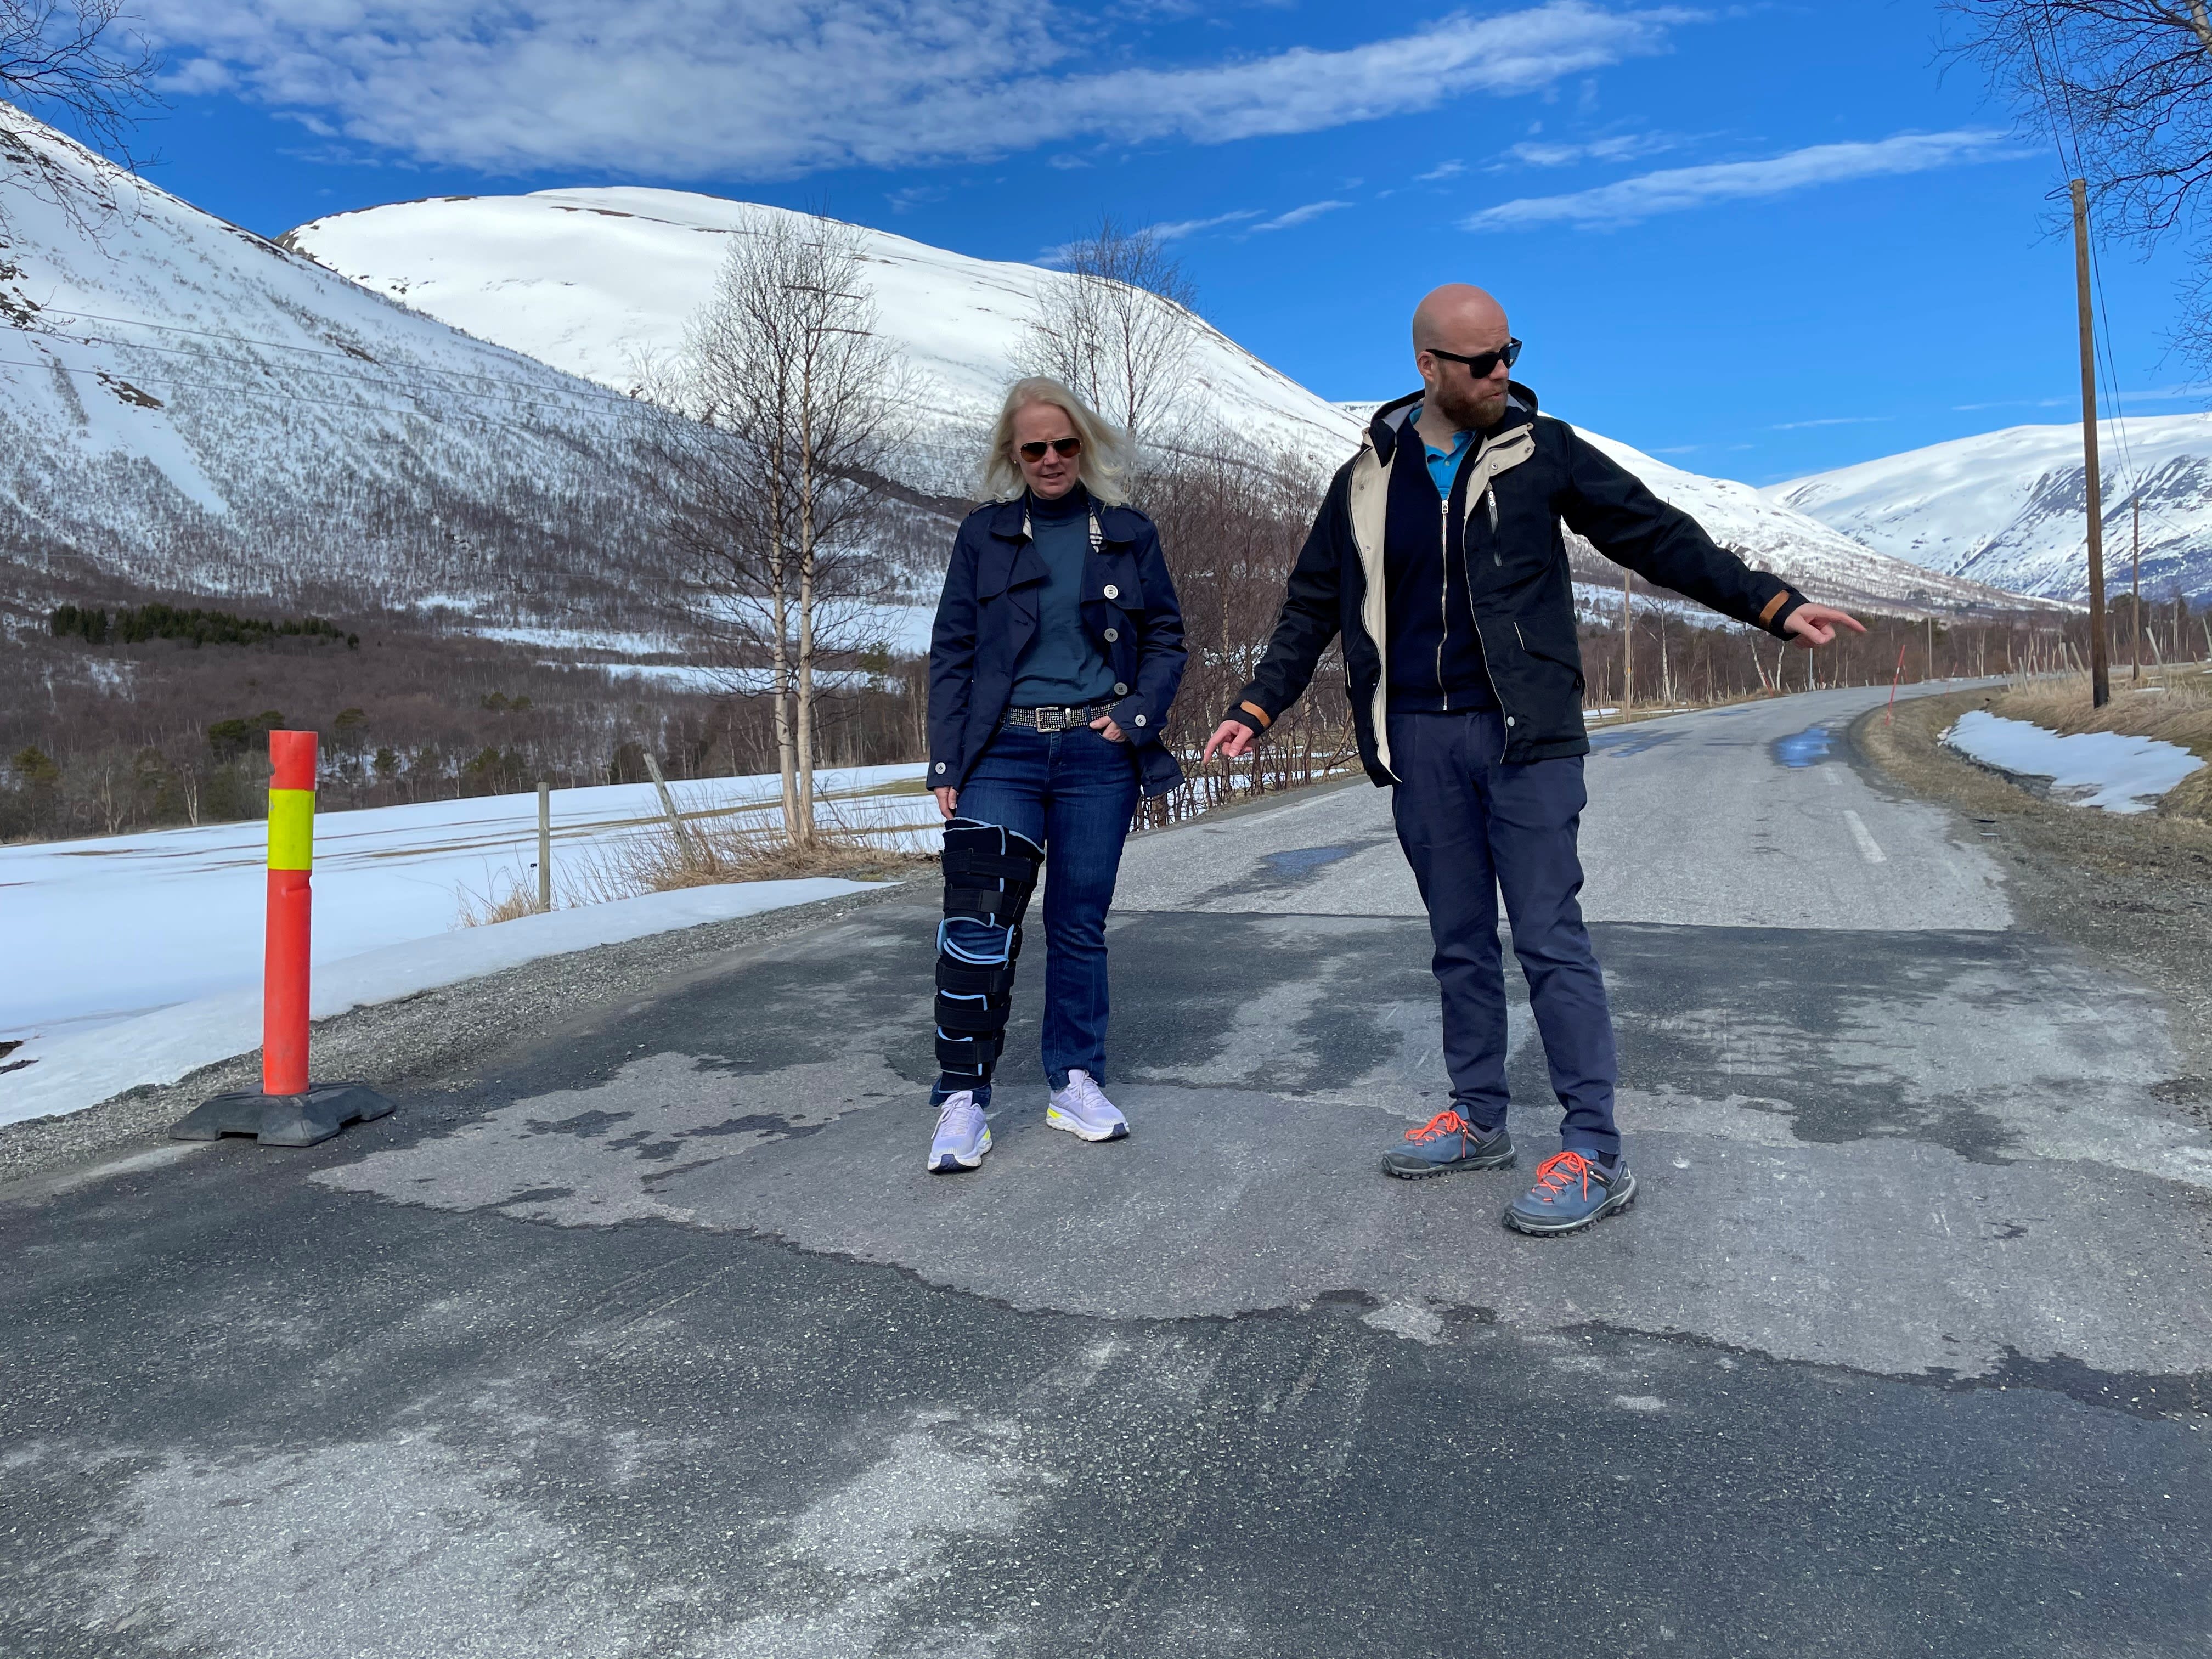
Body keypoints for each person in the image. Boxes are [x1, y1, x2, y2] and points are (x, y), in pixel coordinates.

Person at [1203, 284, 1864, 1235]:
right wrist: (1258, 703)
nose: (1502, 374)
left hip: (1526, 736)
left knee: (1550, 938)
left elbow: (1656, 534)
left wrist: (1770, 603)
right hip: (1418, 738)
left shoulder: (1540, 450)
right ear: (1428, 367)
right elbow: (1314, 602)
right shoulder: (1365, 479)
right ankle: (1478, 1118)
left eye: (1509, 353)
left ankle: (1593, 1149)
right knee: (1459, 941)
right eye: (1482, 363)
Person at [921, 376, 1188, 1173]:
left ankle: (1074, 1080)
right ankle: (962, 1099)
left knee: (1077, 924)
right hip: (1000, 752)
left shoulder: (1129, 533)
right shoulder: (984, 535)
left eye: (1064, 444)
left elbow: (1167, 639)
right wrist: (947, 759)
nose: (1050, 458)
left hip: (1096, 757)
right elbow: (953, 651)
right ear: (1013, 454)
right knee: (978, 927)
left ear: (1084, 446)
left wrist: (1135, 716)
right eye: (1034, 447)